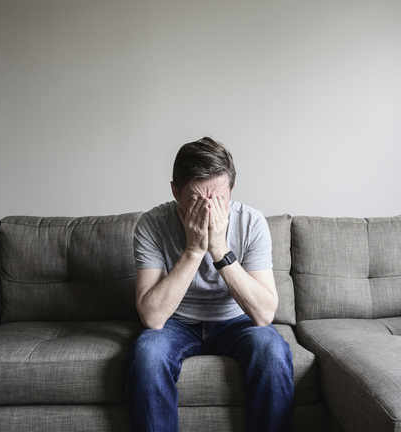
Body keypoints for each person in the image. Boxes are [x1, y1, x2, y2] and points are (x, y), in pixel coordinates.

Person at [125, 137, 294, 432]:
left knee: (272, 352)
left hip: (236, 320)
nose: (207, 209)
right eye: (194, 200)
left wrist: (219, 250)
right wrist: (193, 251)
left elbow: (264, 315)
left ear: (231, 189)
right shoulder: (152, 224)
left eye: (218, 199)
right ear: (175, 191)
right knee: (147, 356)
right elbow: (152, 317)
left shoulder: (251, 222)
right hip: (175, 323)